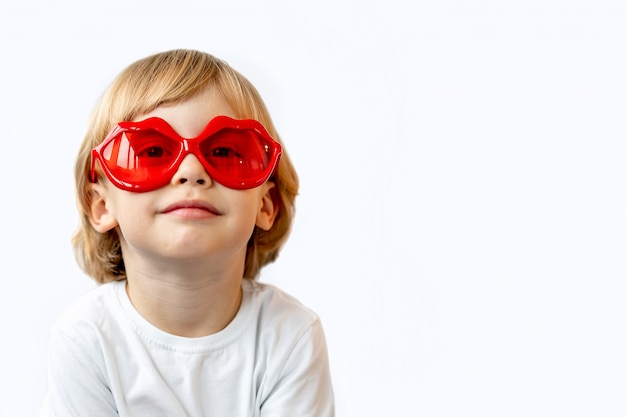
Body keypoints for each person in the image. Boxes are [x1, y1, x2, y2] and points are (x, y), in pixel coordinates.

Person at [39, 49, 334, 416]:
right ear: (102, 206)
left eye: (226, 150)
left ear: (265, 204)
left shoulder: (291, 336)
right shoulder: (85, 338)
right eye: (152, 151)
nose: (192, 171)